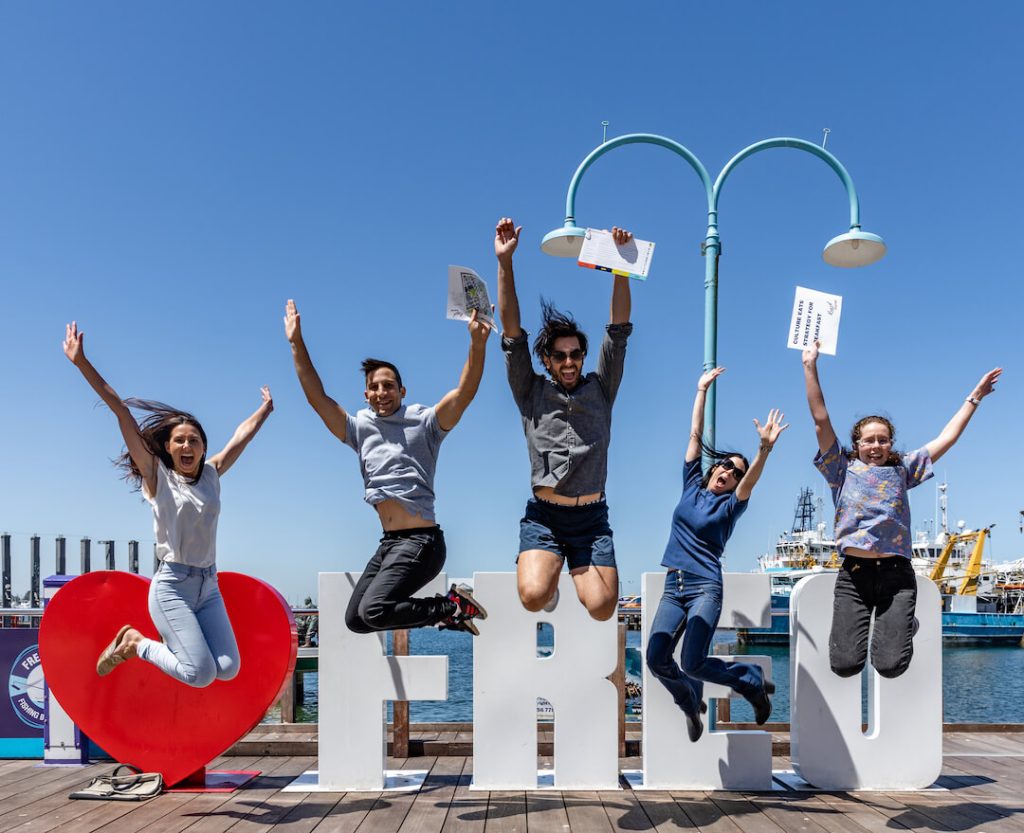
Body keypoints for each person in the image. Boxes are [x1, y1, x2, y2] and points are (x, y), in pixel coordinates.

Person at [62, 321, 274, 684]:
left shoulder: (211, 473)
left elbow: (242, 437)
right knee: (200, 674)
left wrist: (265, 410)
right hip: (172, 585)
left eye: (194, 440)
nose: (187, 446)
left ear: (204, 447)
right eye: (179, 441)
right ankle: (135, 643)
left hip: (209, 585)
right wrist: (82, 363)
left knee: (227, 668)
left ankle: (150, 645)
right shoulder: (157, 476)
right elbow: (122, 412)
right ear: (167, 447)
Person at [285, 299, 488, 635]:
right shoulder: (359, 428)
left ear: (401, 390)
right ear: (366, 394)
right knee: (356, 620)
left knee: (375, 610)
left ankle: (451, 606)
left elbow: (464, 392)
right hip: (390, 543)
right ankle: (450, 611)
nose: (382, 392)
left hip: (422, 543)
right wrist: (296, 343)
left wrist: (477, 344)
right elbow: (317, 398)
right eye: (375, 387)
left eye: (389, 385)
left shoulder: (424, 423)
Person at [803, 340, 1001, 678]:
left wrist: (975, 397)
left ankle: (901, 622)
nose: (876, 446)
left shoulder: (903, 470)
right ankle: (890, 623)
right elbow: (821, 419)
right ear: (857, 445)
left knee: (890, 666)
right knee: (845, 665)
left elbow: (947, 438)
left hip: (897, 575)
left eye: (883, 440)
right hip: (854, 575)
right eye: (869, 440)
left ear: (891, 443)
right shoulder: (841, 469)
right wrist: (810, 366)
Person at [494, 217, 633, 621]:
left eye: (575, 354)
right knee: (534, 596)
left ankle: (565, 573)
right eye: (560, 356)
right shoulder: (530, 390)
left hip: (591, 518)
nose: (569, 361)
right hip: (545, 516)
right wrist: (505, 263)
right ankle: (548, 580)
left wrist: (620, 264)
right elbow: (511, 331)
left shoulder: (601, 388)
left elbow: (619, 330)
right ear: (547, 361)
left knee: (603, 609)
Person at [645, 367, 786, 741]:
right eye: (726, 464)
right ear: (714, 468)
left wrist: (764, 450)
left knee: (692, 661)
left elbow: (753, 479)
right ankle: (690, 703)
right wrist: (700, 391)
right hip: (673, 586)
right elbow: (694, 435)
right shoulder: (691, 485)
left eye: (735, 472)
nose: (728, 471)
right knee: (656, 659)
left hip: (705, 587)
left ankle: (750, 681)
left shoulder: (730, 508)